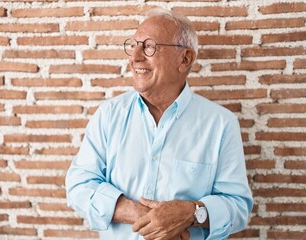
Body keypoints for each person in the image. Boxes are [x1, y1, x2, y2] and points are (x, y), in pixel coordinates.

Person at [66, 7, 253, 240]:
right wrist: (145, 216)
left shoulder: (221, 124)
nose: (135, 58)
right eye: (133, 45)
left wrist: (191, 213)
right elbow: (79, 186)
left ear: (185, 59)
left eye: (149, 46)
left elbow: (238, 207)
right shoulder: (109, 115)